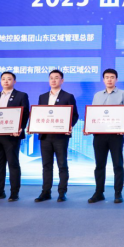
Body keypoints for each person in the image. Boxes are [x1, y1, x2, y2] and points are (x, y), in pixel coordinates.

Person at [85, 68, 124, 204]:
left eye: (112, 77)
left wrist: (123, 127)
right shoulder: (97, 95)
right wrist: (89, 127)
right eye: (107, 77)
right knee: (99, 165)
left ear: (116, 79)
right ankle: (99, 192)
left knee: (118, 165)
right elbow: (93, 113)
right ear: (103, 80)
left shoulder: (123, 94)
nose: (109, 79)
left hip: (116, 135)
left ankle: (118, 193)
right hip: (99, 135)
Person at [0, 71, 30, 202]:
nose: (6, 81)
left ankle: (14, 192)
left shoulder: (21, 95)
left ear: (14, 81)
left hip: (12, 136)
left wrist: (20, 128)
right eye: (3, 79)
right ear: (0, 81)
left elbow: (25, 113)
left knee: (13, 164)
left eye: (9, 79)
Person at [35, 69, 79, 203]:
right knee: (46, 165)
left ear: (62, 80)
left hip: (61, 136)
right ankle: (45, 192)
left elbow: (75, 115)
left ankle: (62, 192)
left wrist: (68, 127)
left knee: (62, 165)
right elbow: (39, 114)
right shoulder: (42, 97)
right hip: (45, 136)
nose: (53, 80)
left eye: (56, 78)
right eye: (51, 78)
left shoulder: (68, 96)